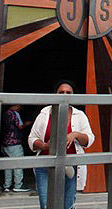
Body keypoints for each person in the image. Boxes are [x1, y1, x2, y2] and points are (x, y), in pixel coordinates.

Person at [28, 80, 94, 209]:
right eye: (61, 92)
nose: (64, 95)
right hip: (45, 165)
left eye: (68, 92)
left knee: (67, 204)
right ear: (55, 94)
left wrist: (75, 134)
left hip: (70, 166)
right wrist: (45, 146)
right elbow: (32, 139)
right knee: (46, 204)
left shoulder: (79, 115)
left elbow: (89, 139)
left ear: (73, 95)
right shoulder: (44, 114)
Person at [1, 104, 32, 192]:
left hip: (5, 143)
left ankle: (7, 185)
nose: (20, 109)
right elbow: (20, 126)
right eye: (19, 107)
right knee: (18, 164)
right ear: (16, 105)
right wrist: (27, 124)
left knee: (8, 165)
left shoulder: (5, 113)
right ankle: (18, 185)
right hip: (14, 142)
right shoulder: (14, 113)